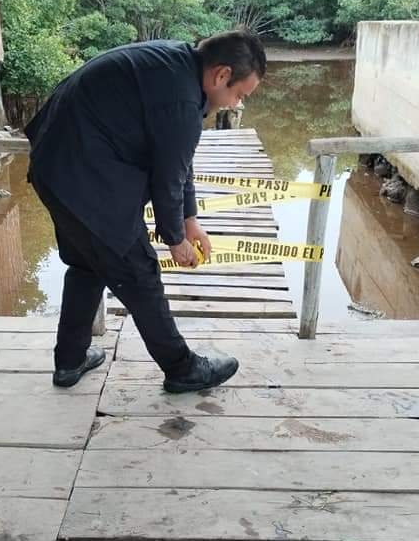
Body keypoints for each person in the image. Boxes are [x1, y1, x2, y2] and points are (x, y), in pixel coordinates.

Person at [24, 29, 266, 392]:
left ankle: (70, 361)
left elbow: (176, 161)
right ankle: (181, 367)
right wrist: (176, 239)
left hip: (55, 168)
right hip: (85, 175)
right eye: (238, 95)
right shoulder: (181, 101)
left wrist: (190, 221)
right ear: (221, 75)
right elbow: (167, 178)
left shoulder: (177, 68)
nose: (235, 105)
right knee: (139, 271)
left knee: (88, 265)